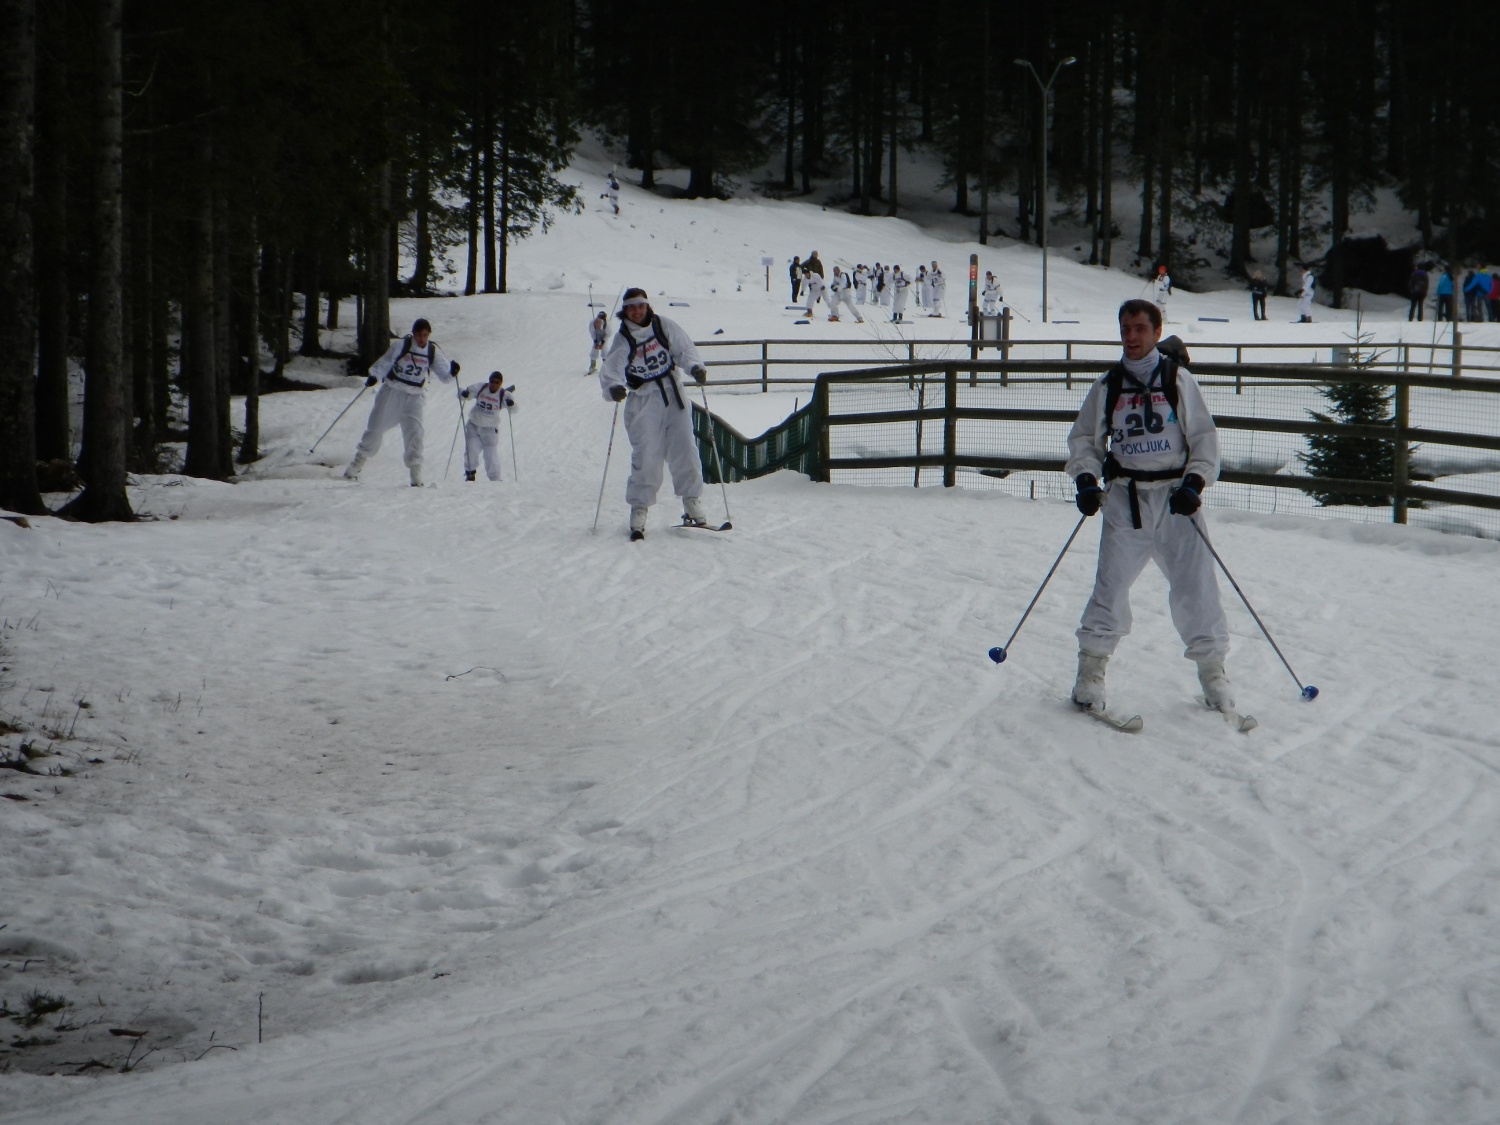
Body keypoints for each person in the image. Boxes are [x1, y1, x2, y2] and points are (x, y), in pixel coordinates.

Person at [1066, 299, 1232, 716]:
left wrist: (1195, 483)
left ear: (1157, 332)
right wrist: (1086, 480)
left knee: (1197, 586)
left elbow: (1204, 437)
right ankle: (1091, 672)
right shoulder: (1108, 386)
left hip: (1177, 501)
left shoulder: (1178, 380)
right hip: (1126, 499)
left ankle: (1213, 673)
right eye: (1125, 328)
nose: (1131, 336)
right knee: (1110, 586)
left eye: (1140, 328)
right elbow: (1085, 439)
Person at [598, 288, 710, 540]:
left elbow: (685, 348)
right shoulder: (623, 338)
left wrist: (695, 368)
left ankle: (691, 500)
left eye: (641, 305)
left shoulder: (664, 325)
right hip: (643, 399)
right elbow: (611, 369)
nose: (636, 311)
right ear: (625, 310)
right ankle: (639, 507)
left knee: (685, 448)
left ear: (648, 306)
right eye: (631, 307)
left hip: (673, 393)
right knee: (647, 454)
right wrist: (614, 388)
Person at [344, 318, 457, 487]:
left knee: (415, 433)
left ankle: (415, 475)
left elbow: (445, 376)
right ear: (413, 334)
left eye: (425, 335)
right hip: (393, 391)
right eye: (419, 335)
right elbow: (386, 361)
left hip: (415, 397)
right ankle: (355, 466)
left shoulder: (431, 351)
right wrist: (375, 374)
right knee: (375, 428)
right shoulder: (402, 345)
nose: (421, 339)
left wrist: (453, 372)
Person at [460, 372, 516, 482]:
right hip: (474, 424)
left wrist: (511, 404)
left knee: (491, 455)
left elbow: (514, 409)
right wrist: (465, 394)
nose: (494, 384)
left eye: (497, 382)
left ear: (501, 383)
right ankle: (470, 474)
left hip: (490, 429)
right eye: (492, 381)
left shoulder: (504, 394)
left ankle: (495, 479)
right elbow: (465, 393)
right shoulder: (481, 387)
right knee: (471, 450)